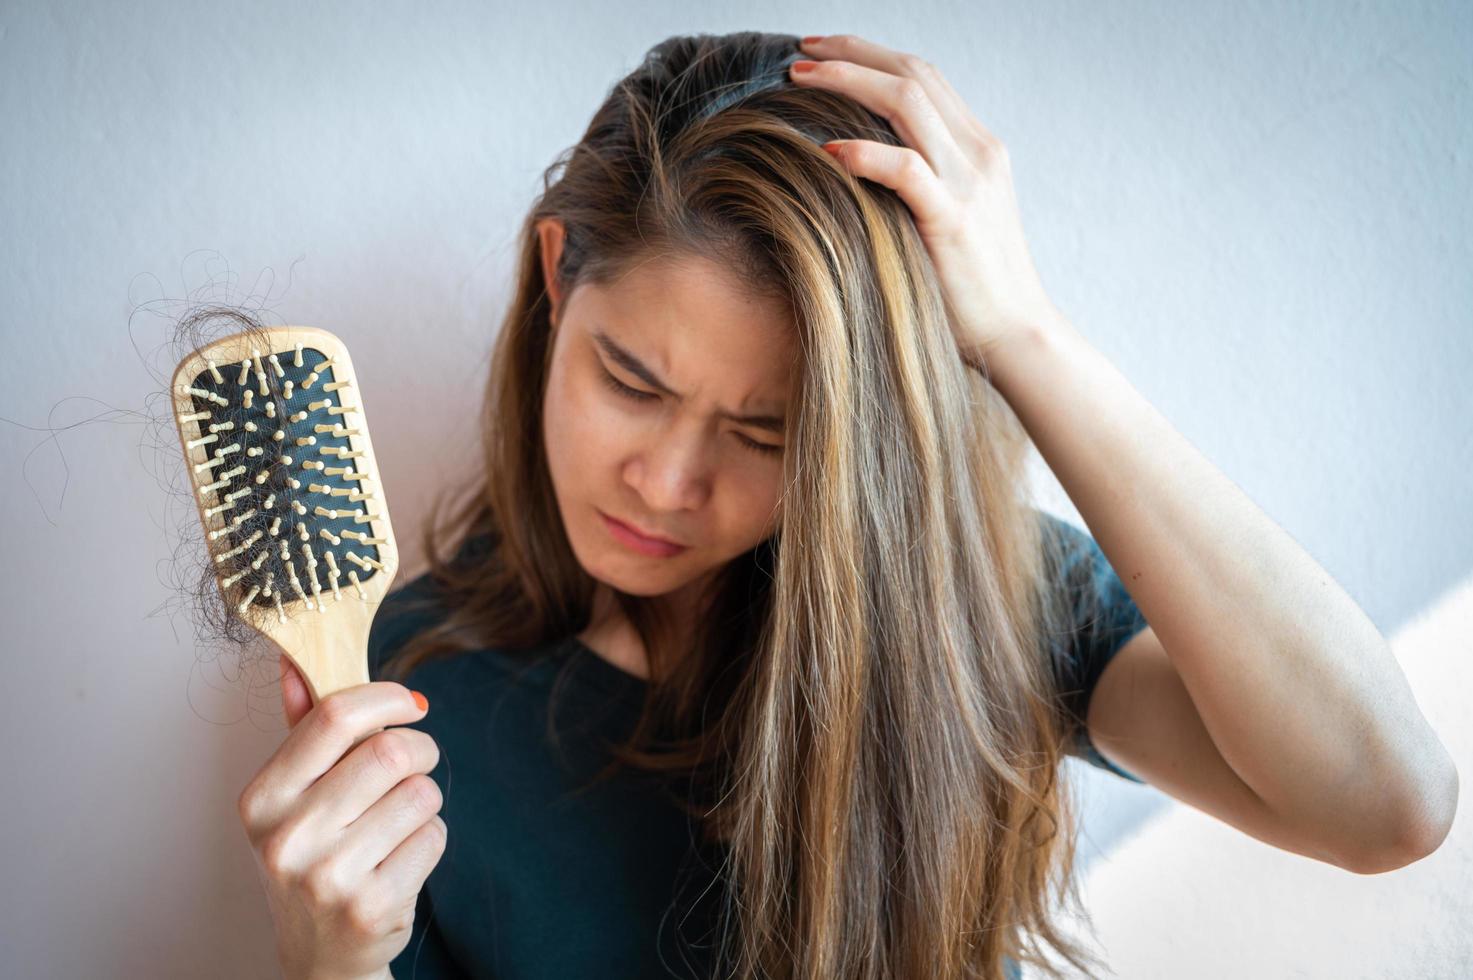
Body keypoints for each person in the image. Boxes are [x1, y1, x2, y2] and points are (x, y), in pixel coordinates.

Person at [242, 28, 1458, 980]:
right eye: (631, 379)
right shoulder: (410, 681)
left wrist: (1020, 333)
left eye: (767, 432)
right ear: (560, 276)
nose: (667, 483)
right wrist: (333, 957)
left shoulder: (980, 606)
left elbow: (1384, 802)